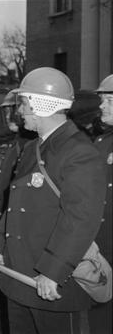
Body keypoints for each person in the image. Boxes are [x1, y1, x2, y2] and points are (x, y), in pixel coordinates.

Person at [0, 67, 105, 334]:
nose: (20, 111)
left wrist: (53, 271)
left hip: (50, 282)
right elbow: (14, 203)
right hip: (18, 275)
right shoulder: (32, 148)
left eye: (23, 103)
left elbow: (80, 220)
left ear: (42, 104)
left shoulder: (79, 152)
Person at [0, 90, 37, 334]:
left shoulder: (32, 147)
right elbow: (1, 193)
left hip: (19, 235)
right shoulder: (12, 144)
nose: (8, 115)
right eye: (4, 110)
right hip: (1, 227)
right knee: (0, 298)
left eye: (12, 108)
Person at [90, 74, 113, 334]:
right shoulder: (101, 142)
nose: (102, 106)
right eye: (102, 100)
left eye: (108, 100)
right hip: (101, 245)